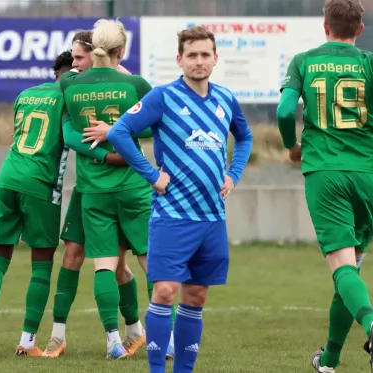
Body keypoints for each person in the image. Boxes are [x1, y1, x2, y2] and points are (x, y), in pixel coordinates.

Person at [107, 25, 253, 373]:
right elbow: (119, 132)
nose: (199, 61)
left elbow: (244, 138)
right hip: (173, 215)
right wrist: (151, 174)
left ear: (215, 59)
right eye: (192, 55)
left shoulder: (225, 98)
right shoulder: (163, 97)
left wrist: (233, 174)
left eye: (205, 55)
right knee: (165, 292)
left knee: (197, 297)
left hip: (212, 217)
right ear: (179, 59)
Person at [43, 29, 153, 359]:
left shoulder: (73, 87)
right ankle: (59, 336)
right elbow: (151, 124)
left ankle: (125, 334)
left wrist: (108, 137)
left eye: (78, 57)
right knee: (83, 258)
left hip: (97, 190)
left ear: (96, 53)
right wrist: (112, 145)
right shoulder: (132, 84)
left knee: (109, 264)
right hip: (113, 184)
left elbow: (70, 132)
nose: (73, 65)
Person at [277, 1, 373, 372]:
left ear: (325, 26)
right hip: (366, 172)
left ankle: (370, 325)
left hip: (325, 173)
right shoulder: (367, 62)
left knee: (342, 267)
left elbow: (285, 112)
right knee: (351, 269)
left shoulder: (303, 60)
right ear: (360, 29)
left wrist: (291, 147)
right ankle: (329, 361)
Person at [0, 50, 78, 357]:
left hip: (6, 177)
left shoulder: (26, 94)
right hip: (40, 183)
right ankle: (27, 341)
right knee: (41, 265)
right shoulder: (71, 98)